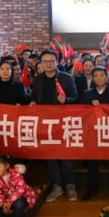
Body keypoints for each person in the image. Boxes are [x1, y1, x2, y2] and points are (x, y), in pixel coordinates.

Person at [31, 50, 79, 202]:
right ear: (41, 63)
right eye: (45, 61)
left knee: (66, 156)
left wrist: (66, 100)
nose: (48, 64)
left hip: (63, 122)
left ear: (56, 62)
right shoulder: (37, 79)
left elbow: (76, 97)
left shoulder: (66, 78)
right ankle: (57, 186)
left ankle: (70, 186)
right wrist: (33, 102)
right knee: (50, 156)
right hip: (45, 123)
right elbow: (34, 96)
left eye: (51, 61)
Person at [81, 66, 109, 203]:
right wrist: (89, 105)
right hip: (93, 134)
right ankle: (91, 190)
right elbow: (80, 111)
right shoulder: (87, 93)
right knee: (92, 165)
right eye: (96, 76)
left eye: (102, 75)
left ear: (107, 77)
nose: (99, 78)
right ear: (93, 79)